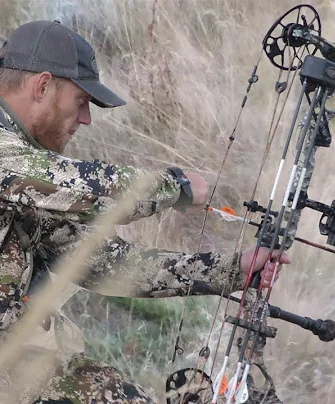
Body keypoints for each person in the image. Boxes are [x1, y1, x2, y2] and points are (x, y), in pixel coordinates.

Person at [0, 20, 289, 403]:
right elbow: (82, 189)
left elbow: (106, 264)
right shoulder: (17, 163)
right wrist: (175, 186)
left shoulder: (28, 178)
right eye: (81, 102)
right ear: (42, 86)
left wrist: (232, 269)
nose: (85, 119)